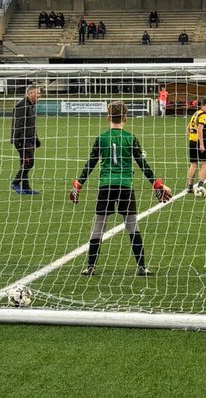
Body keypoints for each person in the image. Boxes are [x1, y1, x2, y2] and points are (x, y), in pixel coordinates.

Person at [70, 101, 171, 277]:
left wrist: (78, 185)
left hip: (106, 187)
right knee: (132, 226)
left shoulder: (101, 138)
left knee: (98, 227)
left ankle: (90, 267)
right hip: (125, 186)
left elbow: (91, 164)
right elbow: (142, 164)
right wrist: (156, 184)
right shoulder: (131, 138)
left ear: (108, 117)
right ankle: (142, 267)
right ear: (125, 118)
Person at [10, 85, 41, 195]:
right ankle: (15, 183)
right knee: (29, 162)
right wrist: (19, 140)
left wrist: (36, 139)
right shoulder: (21, 106)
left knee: (25, 162)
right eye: (37, 93)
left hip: (29, 139)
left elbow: (30, 125)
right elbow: (18, 125)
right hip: (23, 140)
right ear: (30, 93)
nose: (40, 95)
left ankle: (26, 187)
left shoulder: (31, 105)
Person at [185, 98, 206, 195]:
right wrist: (201, 144)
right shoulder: (203, 115)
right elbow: (200, 129)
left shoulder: (196, 113)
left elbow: (188, 127)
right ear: (203, 105)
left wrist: (189, 136)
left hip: (192, 141)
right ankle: (200, 185)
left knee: (193, 164)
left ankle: (189, 187)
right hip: (200, 141)